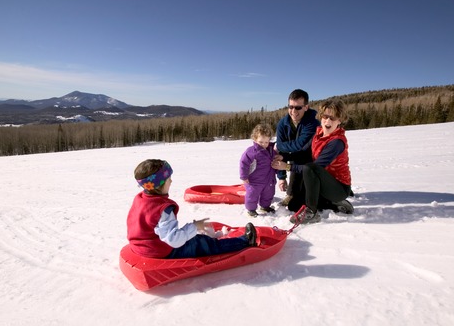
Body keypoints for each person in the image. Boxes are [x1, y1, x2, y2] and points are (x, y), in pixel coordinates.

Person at [127, 159, 257, 259]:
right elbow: (174, 240)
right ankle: (245, 241)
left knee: (195, 239)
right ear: (158, 184)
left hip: (142, 247)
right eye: (168, 179)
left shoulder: (141, 199)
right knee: (204, 243)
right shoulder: (163, 210)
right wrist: (195, 226)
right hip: (162, 251)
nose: (171, 182)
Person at [272, 99, 354, 224]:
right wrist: (284, 157)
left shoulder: (336, 142)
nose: (328, 121)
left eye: (333, 118)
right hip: (321, 182)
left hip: (338, 188)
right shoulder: (318, 133)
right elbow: (303, 152)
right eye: (325, 116)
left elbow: (313, 168)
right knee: (294, 205)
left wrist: (287, 167)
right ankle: (331, 204)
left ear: (339, 120)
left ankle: (312, 212)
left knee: (310, 167)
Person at [275, 89, 320, 211]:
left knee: (307, 195)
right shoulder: (282, 124)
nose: (293, 111)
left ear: (306, 107)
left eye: (298, 108)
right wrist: (282, 177)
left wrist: (280, 146)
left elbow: (300, 145)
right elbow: (280, 152)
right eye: (290, 107)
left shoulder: (312, 122)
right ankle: (291, 193)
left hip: (312, 159)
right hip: (295, 158)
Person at [239, 124, 278, 217]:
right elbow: (243, 163)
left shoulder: (272, 151)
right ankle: (251, 210)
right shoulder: (251, 152)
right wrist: (244, 177)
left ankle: (265, 207)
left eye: (266, 142)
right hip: (254, 181)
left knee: (268, 194)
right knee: (252, 195)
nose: (264, 144)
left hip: (269, 180)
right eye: (261, 142)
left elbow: (275, 162)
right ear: (255, 139)